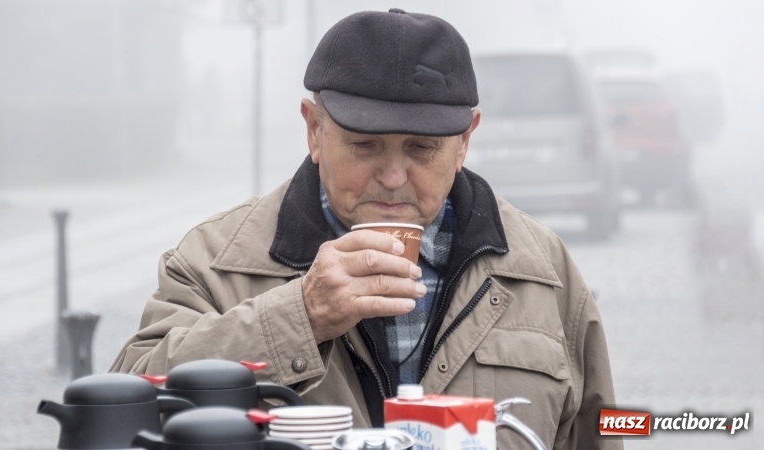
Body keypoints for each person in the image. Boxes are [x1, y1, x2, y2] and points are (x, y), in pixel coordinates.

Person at [111, 8, 621, 450]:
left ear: (465, 141)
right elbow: (123, 407)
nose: (394, 177)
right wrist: (300, 316)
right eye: (365, 145)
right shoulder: (215, 259)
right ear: (315, 130)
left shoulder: (542, 268)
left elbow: (602, 429)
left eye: (422, 149)